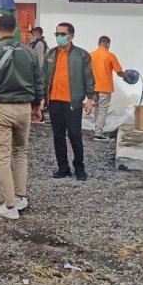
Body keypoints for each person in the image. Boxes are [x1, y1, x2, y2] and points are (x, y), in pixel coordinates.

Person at [0, 15, 44, 220]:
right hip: (24, 108)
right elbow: (38, 81)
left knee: (2, 155)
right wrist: (37, 105)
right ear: (15, 29)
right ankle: (21, 198)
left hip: (2, 108)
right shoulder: (29, 53)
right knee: (20, 152)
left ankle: (9, 205)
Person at [43, 22, 95, 182]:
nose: (59, 37)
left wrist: (90, 99)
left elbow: (88, 77)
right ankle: (63, 168)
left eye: (62, 34)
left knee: (74, 135)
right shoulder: (51, 54)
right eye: (56, 34)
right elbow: (43, 77)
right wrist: (41, 98)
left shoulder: (82, 55)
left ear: (71, 36)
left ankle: (79, 168)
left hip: (73, 102)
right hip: (54, 101)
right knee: (58, 136)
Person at [90, 36, 126, 141]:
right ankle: (98, 133)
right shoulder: (110, 56)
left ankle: (97, 129)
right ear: (108, 44)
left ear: (98, 43)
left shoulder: (91, 55)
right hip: (105, 87)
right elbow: (119, 72)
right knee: (102, 110)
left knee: (96, 108)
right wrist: (127, 75)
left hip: (93, 86)